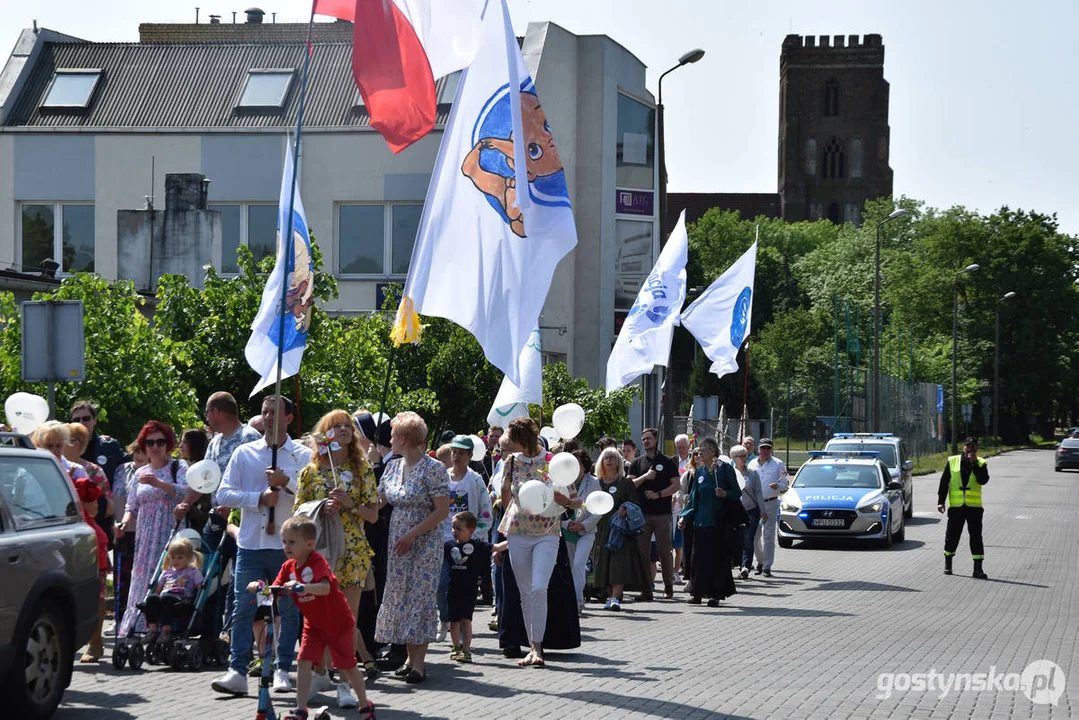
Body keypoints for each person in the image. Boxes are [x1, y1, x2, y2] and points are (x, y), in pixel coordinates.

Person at [212, 395, 311, 696]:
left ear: (289, 418)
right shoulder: (245, 453)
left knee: (289, 610)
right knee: (243, 607)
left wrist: (287, 482)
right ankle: (237, 670)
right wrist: (257, 499)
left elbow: (311, 498)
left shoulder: (303, 455)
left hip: (287, 548)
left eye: (275, 413)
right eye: (265, 412)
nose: (268, 417)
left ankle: (282, 669)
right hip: (252, 544)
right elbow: (224, 495)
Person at [295, 409, 381, 702]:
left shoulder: (363, 469)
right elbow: (298, 513)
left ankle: (345, 683)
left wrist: (349, 505)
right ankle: (320, 672)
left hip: (353, 549)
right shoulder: (311, 472)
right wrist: (322, 507)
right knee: (319, 617)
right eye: (336, 426)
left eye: (348, 426)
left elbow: (372, 515)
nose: (343, 429)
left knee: (347, 620)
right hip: (319, 550)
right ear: (325, 434)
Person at [265, 516, 374, 720]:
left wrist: (303, 587)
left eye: (292, 542)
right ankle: (301, 709)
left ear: (309, 544)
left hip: (338, 623)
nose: (287, 546)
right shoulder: (288, 567)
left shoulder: (317, 561)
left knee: (348, 666)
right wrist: (260, 587)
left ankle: (365, 705)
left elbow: (325, 588)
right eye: (284, 542)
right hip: (314, 625)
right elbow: (276, 589)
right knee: (304, 661)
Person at [374, 411, 450, 684]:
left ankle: (418, 664)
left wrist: (412, 534)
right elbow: (377, 504)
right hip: (398, 543)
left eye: (393, 435)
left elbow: (442, 510)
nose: (390, 439)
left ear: (404, 438)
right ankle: (408, 657)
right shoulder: (392, 467)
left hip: (424, 543)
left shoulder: (433, 468)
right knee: (402, 597)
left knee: (420, 598)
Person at [498, 417, 574, 668]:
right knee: (525, 592)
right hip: (518, 531)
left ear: (523, 440)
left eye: (512, 441)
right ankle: (533, 647)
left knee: (539, 587)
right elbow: (505, 498)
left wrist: (558, 496)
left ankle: (538, 647)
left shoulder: (553, 462)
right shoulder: (510, 462)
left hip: (547, 532)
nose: (508, 445)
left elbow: (571, 501)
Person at [116, 421, 188, 638]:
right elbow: (131, 505)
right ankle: (140, 625)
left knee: (169, 576)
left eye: (160, 442)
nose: (155, 447)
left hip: (170, 532)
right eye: (150, 442)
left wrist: (159, 483)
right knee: (142, 577)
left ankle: (168, 626)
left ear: (168, 444)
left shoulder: (178, 467)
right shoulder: (140, 472)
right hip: (146, 535)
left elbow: (185, 493)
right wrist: (124, 523)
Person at [437, 435, 493, 641]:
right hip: (444, 541)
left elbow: (486, 514)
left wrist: (473, 537)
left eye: (461, 453)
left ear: (470, 456)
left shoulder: (475, 481)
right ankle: (444, 619)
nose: (456, 456)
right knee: (442, 585)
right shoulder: (442, 477)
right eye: (454, 452)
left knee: (462, 590)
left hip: (466, 546)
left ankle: (460, 627)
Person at [679, 438, 740, 606]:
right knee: (698, 559)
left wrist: (725, 494)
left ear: (713, 451)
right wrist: (685, 516)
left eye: (703, 450)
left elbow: (736, 492)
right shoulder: (699, 472)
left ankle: (715, 594)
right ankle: (697, 593)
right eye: (698, 450)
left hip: (718, 522)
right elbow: (693, 498)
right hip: (700, 522)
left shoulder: (724, 470)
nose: (699, 453)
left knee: (716, 559)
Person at [591, 447, 649, 611]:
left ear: (619, 462)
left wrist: (625, 508)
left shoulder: (625, 483)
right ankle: (609, 597)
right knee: (604, 564)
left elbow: (635, 504)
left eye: (612, 458)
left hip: (620, 529)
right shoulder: (596, 482)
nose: (609, 461)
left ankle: (616, 597)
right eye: (606, 458)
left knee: (619, 565)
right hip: (601, 528)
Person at [627, 428, 681, 600]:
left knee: (664, 551)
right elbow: (630, 485)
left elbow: (676, 485)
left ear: (656, 440)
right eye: (643, 439)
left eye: (648, 438)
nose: (645, 441)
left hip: (662, 514)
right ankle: (646, 589)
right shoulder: (637, 463)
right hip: (642, 515)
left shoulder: (668, 461)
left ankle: (668, 586)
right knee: (642, 552)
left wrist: (658, 494)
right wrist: (645, 477)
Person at [937, 437, 990, 579]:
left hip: (974, 508)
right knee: (952, 537)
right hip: (956, 508)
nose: (970, 449)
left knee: (976, 538)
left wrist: (975, 464)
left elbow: (983, 480)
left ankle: (977, 569)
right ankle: (948, 565)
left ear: (977, 449)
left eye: (973, 447)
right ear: (963, 447)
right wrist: (941, 501)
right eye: (968, 446)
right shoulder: (952, 461)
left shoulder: (981, 463)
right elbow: (944, 482)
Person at [72, 475, 110, 663]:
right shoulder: (80, 524)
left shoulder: (92, 523)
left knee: (98, 604)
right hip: (83, 570)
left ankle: (96, 643)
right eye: (90, 501)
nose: (96, 505)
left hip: (97, 571)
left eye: (96, 500)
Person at [444, 511, 490, 663]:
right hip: (453, 589)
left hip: (469, 590)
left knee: (466, 620)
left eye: (459, 529)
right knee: (454, 621)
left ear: (470, 531)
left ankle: (466, 650)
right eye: (453, 527)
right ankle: (456, 647)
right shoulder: (448, 545)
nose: (454, 531)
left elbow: (495, 547)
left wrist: (513, 540)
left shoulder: (477, 545)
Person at [142, 537, 203, 644]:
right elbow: (158, 589)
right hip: (164, 596)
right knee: (152, 598)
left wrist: (195, 599)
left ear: (188, 558)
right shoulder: (166, 573)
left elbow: (200, 587)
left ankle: (166, 630)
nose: (176, 561)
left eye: (180, 558)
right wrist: (153, 598)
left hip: (181, 600)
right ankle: (152, 630)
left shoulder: (193, 571)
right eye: (173, 557)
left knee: (166, 598)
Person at [112, 441, 147, 621]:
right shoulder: (121, 470)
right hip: (122, 530)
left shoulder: (152, 472)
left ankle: (139, 618)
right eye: (137, 452)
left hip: (144, 531)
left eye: (144, 452)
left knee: (140, 577)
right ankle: (120, 617)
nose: (140, 456)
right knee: (121, 578)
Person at [563, 449, 600, 613]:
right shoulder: (563, 482)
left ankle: (577, 601)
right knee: (570, 567)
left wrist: (583, 525)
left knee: (579, 564)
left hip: (586, 531)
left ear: (584, 466)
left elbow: (598, 509)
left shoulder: (593, 483)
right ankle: (571, 599)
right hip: (567, 530)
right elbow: (558, 507)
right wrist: (567, 524)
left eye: (577, 464)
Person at [70, 398, 129, 498]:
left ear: (95, 420)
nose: (81, 423)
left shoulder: (109, 445)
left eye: (86, 418)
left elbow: (131, 466)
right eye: (76, 420)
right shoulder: (65, 448)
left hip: (106, 505)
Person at [749, 438, 787, 577]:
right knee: (754, 535)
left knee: (769, 536)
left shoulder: (778, 464)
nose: (765, 451)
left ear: (771, 450)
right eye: (762, 448)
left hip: (770, 502)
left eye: (767, 448)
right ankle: (760, 561)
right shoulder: (752, 464)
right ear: (758, 449)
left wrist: (778, 486)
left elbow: (785, 484)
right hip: (755, 503)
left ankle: (767, 566)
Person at [730, 445, 766, 579]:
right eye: (741, 456)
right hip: (734, 511)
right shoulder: (730, 473)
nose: (744, 459)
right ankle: (737, 563)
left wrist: (763, 510)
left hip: (751, 510)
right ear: (734, 458)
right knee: (736, 539)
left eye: (745, 456)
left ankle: (746, 566)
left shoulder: (753, 473)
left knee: (748, 538)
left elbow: (758, 492)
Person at [672, 434, 692, 583]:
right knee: (673, 541)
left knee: (683, 541)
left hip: (687, 503)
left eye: (684, 447)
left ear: (689, 446)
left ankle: (681, 568)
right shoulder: (672, 462)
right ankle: (673, 570)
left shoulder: (694, 460)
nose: (681, 450)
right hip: (673, 504)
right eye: (679, 447)